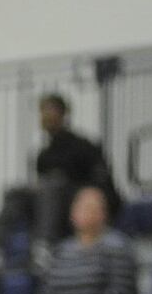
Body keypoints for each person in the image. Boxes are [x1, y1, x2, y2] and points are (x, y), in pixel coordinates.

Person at [31, 93, 120, 244]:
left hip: (82, 198)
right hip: (52, 203)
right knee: (14, 194)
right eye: (43, 111)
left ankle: (45, 243)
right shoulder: (43, 155)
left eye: (51, 110)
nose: (46, 116)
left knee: (53, 185)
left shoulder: (83, 146)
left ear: (63, 114)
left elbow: (102, 181)